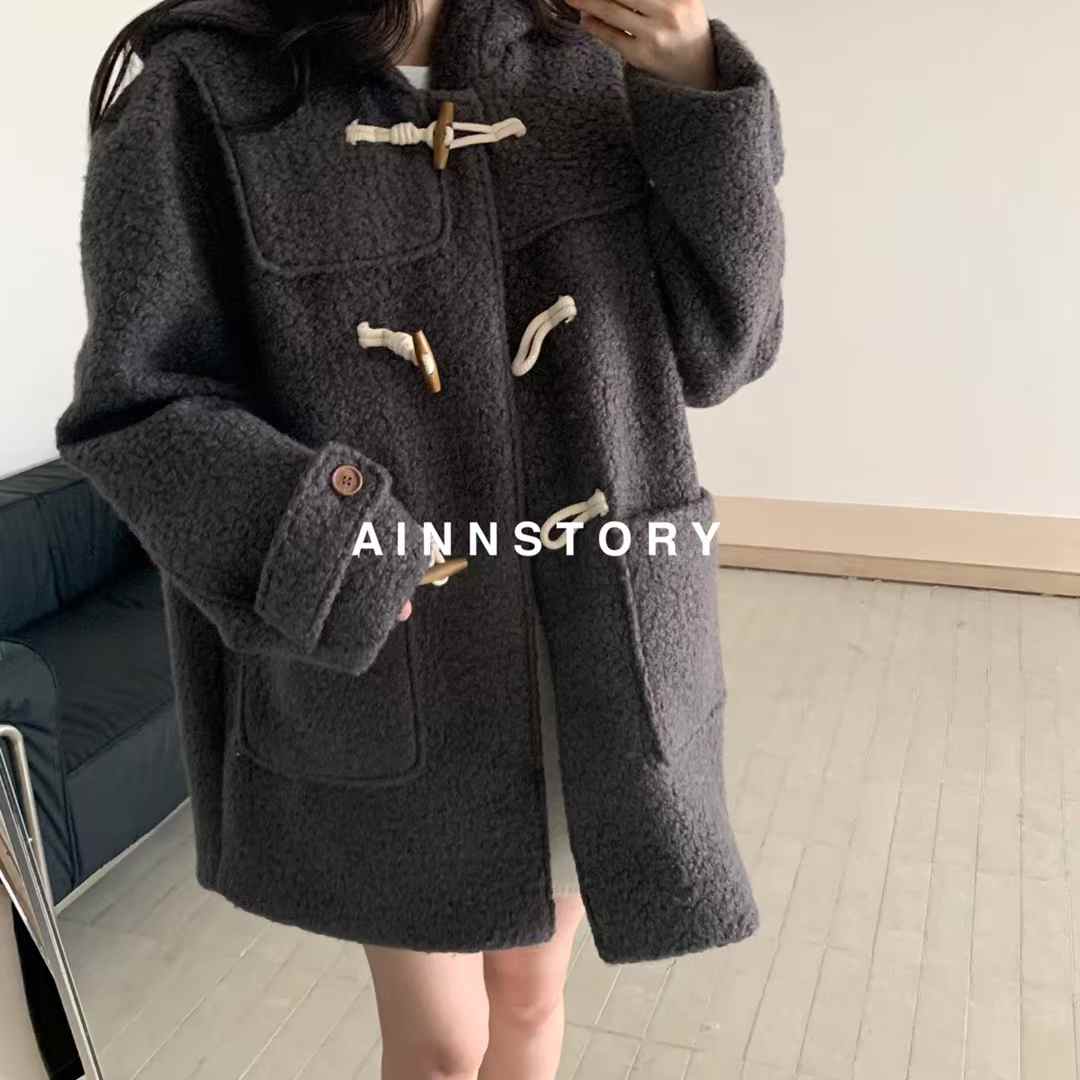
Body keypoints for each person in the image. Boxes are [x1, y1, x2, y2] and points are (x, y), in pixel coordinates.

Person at [56, 0, 785, 1074]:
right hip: (392, 654)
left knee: (532, 1002)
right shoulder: (204, 89)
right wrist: (333, 543)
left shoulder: (591, 55)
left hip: (595, 646)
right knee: (441, 1045)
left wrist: (691, 87)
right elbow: (136, 403)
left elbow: (728, 348)